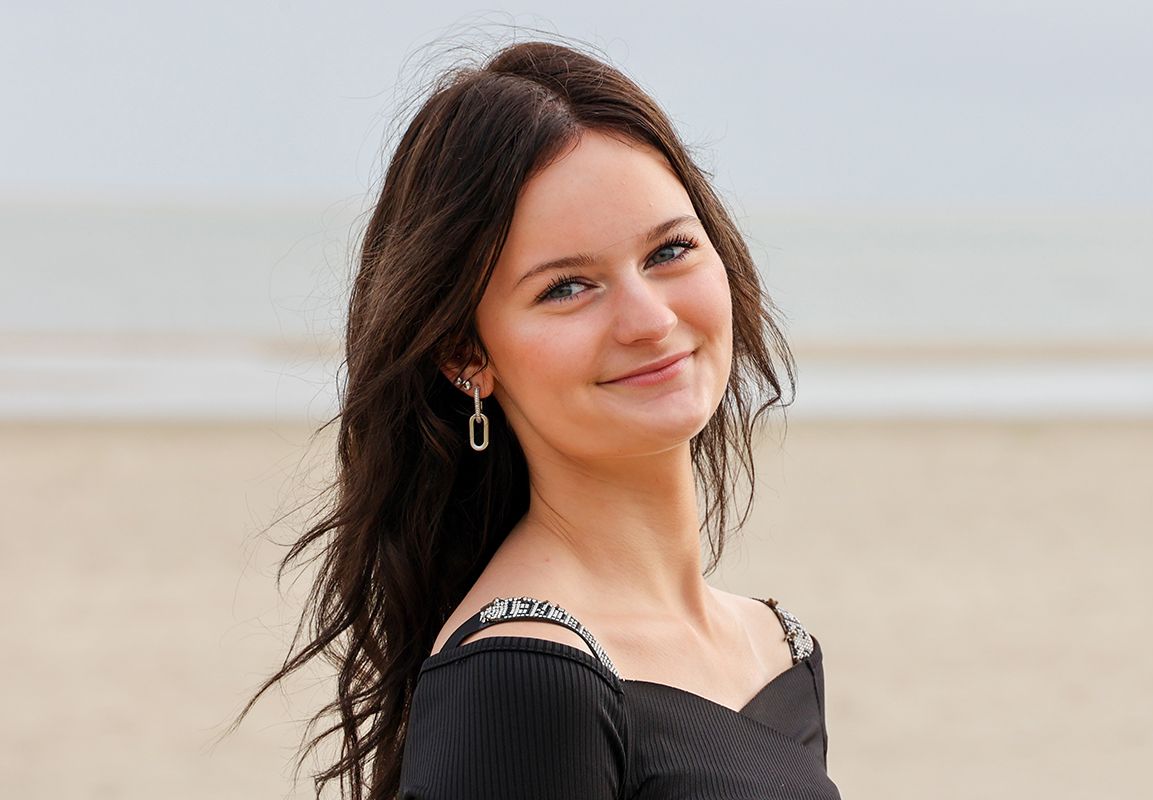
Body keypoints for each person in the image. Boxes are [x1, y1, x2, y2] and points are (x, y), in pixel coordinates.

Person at [240, 37, 840, 800]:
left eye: (671, 250)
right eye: (566, 288)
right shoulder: (520, 678)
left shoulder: (778, 649)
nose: (649, 319)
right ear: (466, 355)